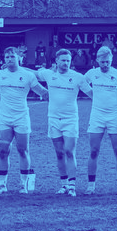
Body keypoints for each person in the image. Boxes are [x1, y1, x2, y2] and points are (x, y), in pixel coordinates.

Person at [0, 48, 44, 192]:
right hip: (4, 119)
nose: (9, 59)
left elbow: (42, 91)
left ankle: (23, 184)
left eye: (12, 56)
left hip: (21, 119)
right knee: (3, 152)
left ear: (18, 58)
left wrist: (61, 91)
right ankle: (2, 184)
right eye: (7, 57)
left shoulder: (28, 75)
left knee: (23, 151)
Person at [81, 45, 117, 195]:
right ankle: (91, 187)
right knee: (94, 151)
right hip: (96, 116)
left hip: (114, 116)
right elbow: (80, 83)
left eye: (108, 61)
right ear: (97, 60)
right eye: (102, 62)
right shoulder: (92, 73)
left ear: (111, 60)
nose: (105, 64)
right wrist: (92, 95)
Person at [38, 49, 86, 195]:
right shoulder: (48, 74)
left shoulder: (77, 77)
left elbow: (92, 92)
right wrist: (15, 67)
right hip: (53, 119)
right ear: (56, 61)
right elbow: (31, 74)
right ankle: (64, 184)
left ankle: (72, 185)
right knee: (59, 153)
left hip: (70, 120)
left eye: (68, 60)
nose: (66, 63)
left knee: (69, 152)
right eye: (63, 60)